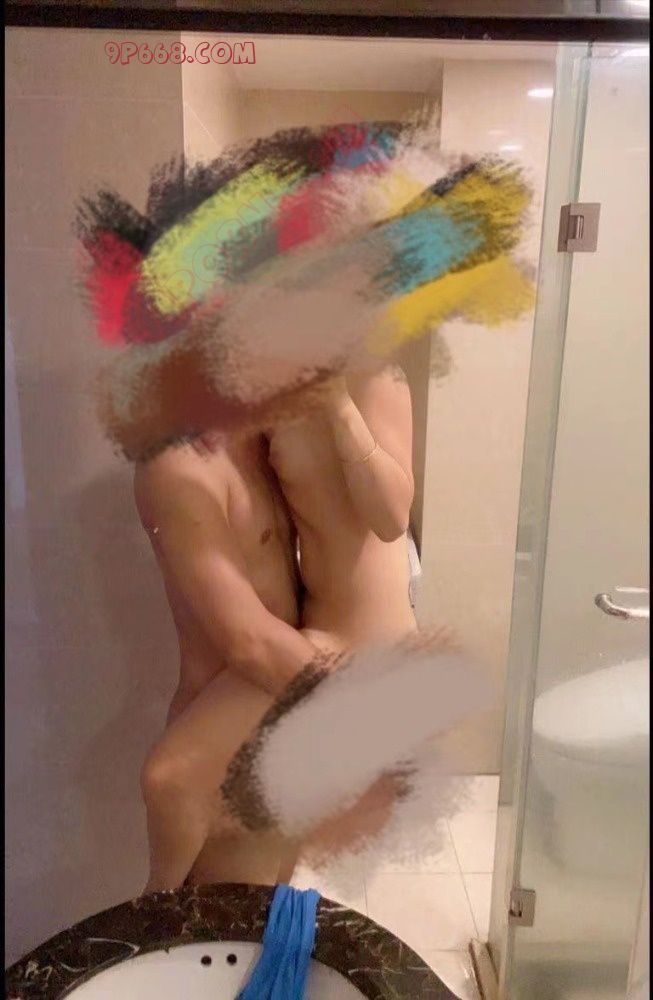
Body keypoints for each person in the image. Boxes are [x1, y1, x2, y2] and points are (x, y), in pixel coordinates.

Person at [137, 365, 415, 892]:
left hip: (344, 652)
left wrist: (338, 406)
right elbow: (247, 639)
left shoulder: (379, 377)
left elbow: (392, 519)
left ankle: (161, 922)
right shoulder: (254, 418)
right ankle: (155, 926)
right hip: (297, 657)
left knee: (262, 885)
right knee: (246, 888)